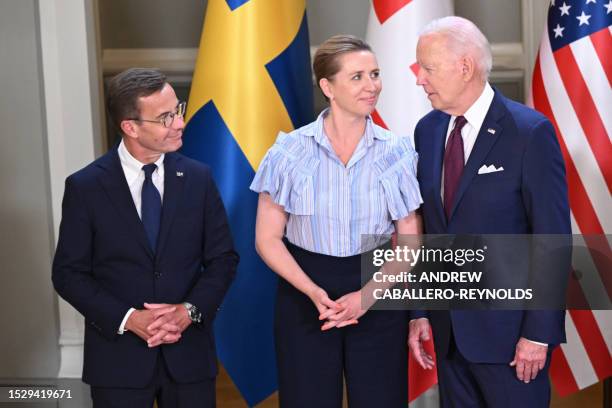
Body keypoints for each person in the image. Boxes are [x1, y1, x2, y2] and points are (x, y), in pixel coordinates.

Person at [250, 35, 422, 407]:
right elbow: (267, 238)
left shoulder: (398, 151)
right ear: (327, 86)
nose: (372, 85)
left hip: (377, 291)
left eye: (375, 74)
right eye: (357, 76)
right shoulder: (288, 152)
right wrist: (312, 292)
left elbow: (410, 240)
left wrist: (366, 297)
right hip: (304, 295)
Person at [408, 16, 570, 407]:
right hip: (448, 337)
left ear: (465, 67)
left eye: (427, 68)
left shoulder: (529, 132)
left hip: (512, 340)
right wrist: (419, 310)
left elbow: (552, 240)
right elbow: (428, 230)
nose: (419, 79)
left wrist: (538, 333)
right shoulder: (426, 131)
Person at [52, 68, 238, 408]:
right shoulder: (85, 187)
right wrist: (128, 319)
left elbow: (223, 259)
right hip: (117, 364)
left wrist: (189, 311)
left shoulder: (198, 178)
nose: (179, 123)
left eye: (177, 110)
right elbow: (68, 274)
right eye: (165, 118)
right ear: (130, 126)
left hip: (189, 357)